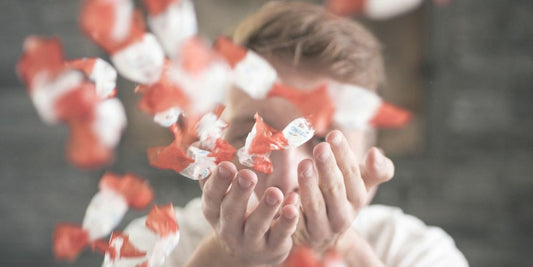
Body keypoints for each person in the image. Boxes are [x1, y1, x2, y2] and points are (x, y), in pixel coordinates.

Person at [123, 2, 468, 266]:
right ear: (212, 144)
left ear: (368, 159)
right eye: (252, 135)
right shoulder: (153, 243)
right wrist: (223, 257)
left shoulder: (416, 252)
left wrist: (342, 247)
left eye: (322, 142)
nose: (286, 177)